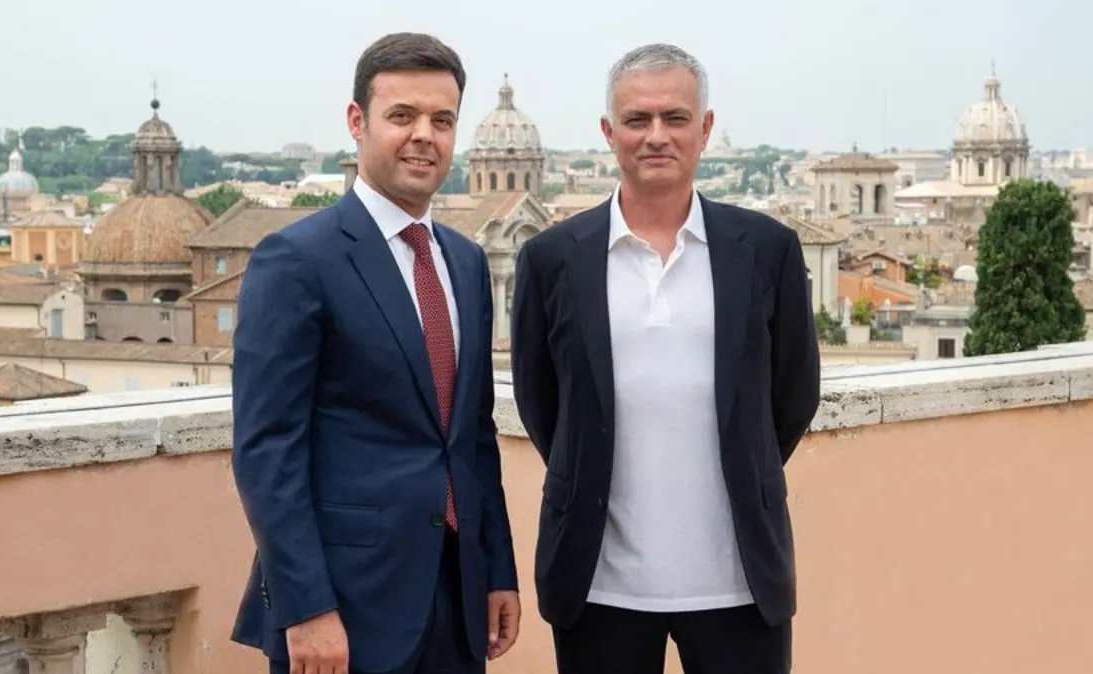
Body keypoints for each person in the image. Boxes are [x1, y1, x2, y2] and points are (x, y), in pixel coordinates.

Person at [510, 43, 820, 674]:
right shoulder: (551, 259)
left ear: (705, 129)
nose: (656, 136)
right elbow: (543, 405)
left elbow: (792, 396)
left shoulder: (766, 250)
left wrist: (743, 468)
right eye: (637, 120)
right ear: (609, 132)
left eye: (675, 118)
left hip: (740, 582)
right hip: (598, 585)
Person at [230, 32, 521, 674]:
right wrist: (304, 608)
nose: (424, 135)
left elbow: (471, 437)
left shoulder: (466, 262)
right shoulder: (298, 259)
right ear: (357, 122)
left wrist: (496, 567)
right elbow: (266, 450)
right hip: (344, 605)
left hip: (456, 594)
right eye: (402, 116)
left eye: (442, 120)